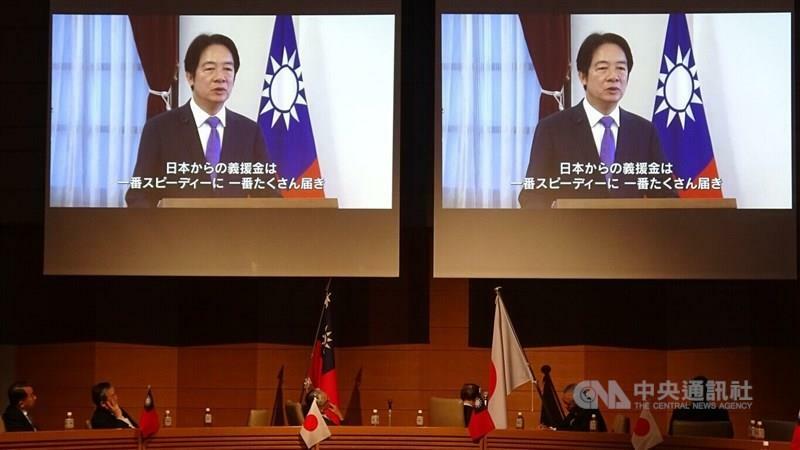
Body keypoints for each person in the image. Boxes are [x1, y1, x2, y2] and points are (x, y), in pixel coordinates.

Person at [519, 32, 676, 209]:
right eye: (602, 68)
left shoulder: (644, 131)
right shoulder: (552, 129)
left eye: (621, 68)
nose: (613, 76)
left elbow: (666, 196)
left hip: (630, 235)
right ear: (582, 76)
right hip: (571, 235)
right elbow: (532, 195)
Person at [126, 33, 277, 207]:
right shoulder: (159, 129)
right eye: (209, 68)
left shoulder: (249, 131)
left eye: (228, 69)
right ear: (190, 77)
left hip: (235, 233)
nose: (220, 77)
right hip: (176, 232)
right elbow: (138, 196)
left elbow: (269, 195)